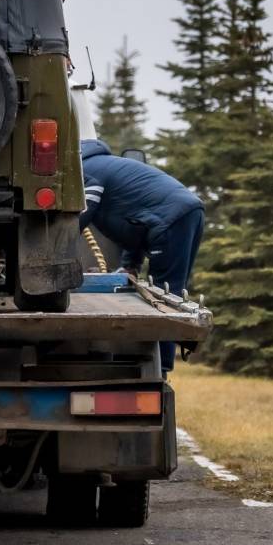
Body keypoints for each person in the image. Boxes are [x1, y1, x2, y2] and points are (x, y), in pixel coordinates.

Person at [80, 139, 205, 371]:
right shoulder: (106, 164)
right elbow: (137, 221)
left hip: (172, 218)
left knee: (166, 294)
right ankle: (161, 366)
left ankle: (162, 368)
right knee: (170, 289)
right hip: (186, 212)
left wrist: (54, 243)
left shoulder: (85, 170)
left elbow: (82, 211)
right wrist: (130, 265)